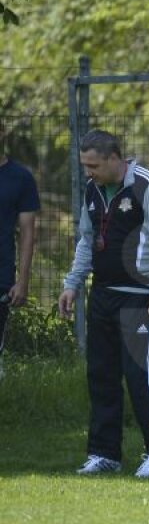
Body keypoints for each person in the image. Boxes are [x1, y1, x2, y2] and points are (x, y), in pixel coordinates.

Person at [58, 129, 149, 478]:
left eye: (93, 165)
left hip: (139, 297)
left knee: (140, 376)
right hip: (102, 295)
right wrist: (72, 284)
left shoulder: (147, 185)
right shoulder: (93, 190)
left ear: (114, 158)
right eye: (84, 165)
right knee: (101, 374)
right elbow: (86, 239)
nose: (88, 172)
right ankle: (104, 453)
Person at [0, 120, 41, 372]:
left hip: (2, 275)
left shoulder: (21, 177)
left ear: (2, 131)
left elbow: (27, 233)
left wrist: (22, 280)